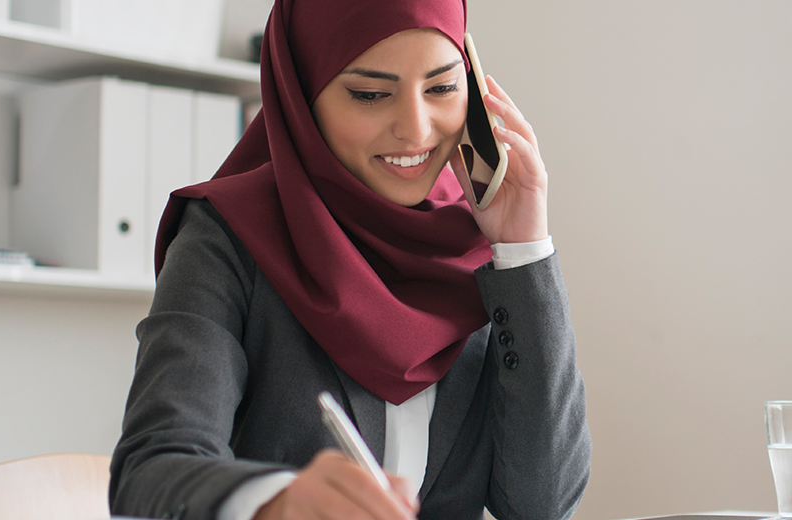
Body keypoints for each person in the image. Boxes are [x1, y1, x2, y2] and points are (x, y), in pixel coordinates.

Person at [106, 0, 591, 519]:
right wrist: (277, 503)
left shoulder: (477, 247)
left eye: (444, 87)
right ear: (300, 95)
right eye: (370, 94)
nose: (417, 130)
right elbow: (152, 468)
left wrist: (523, 251)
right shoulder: (226, 236)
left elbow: (542, 504)